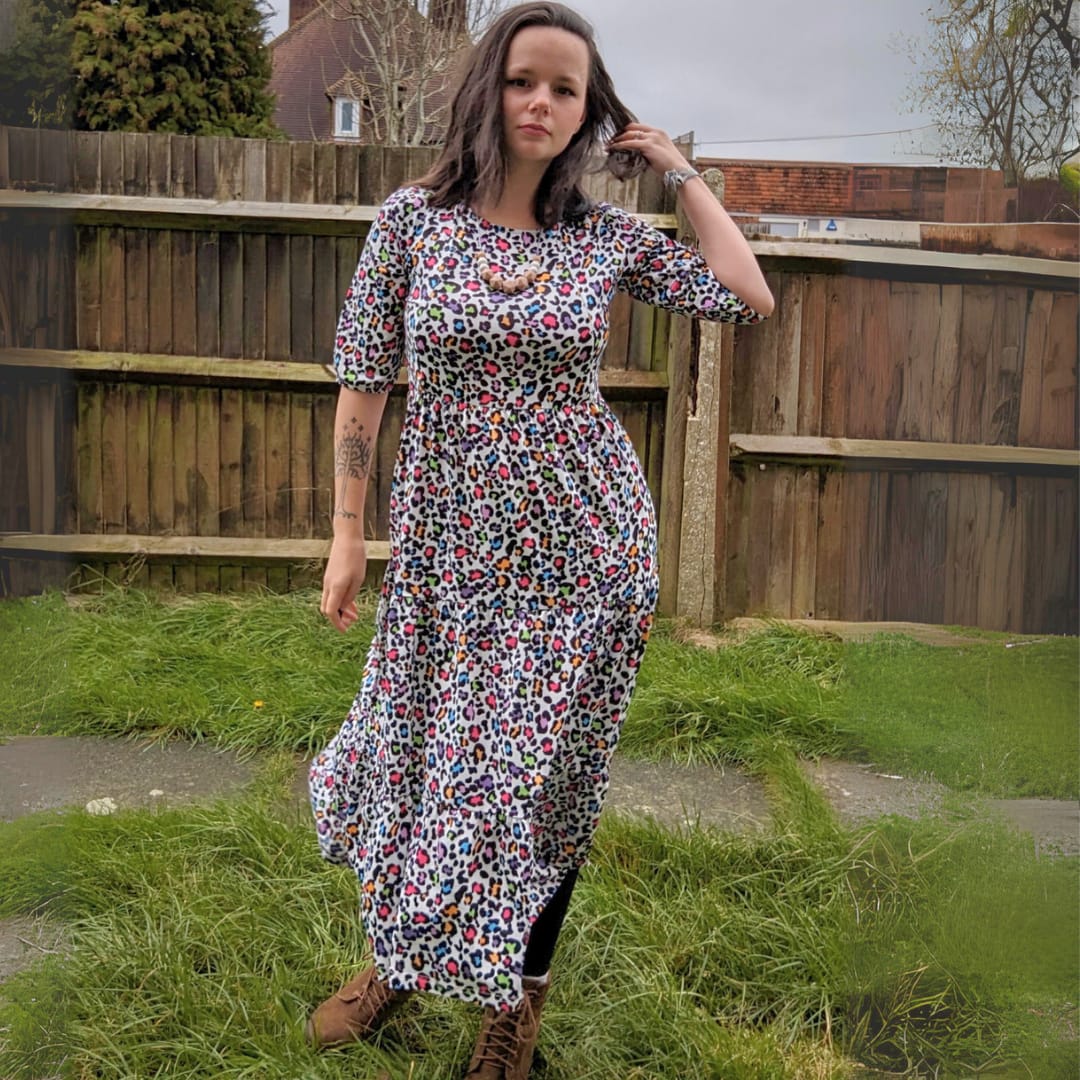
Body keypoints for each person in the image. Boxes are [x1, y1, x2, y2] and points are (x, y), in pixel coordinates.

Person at [307, 3, 774, 1076]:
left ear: (587, 110)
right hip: (445, 556)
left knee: (542, 788)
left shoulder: (604, 237)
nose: (543, 103)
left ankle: (515, 1008)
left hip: (582, 556)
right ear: (490, 87)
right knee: (421, 760)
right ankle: (401, 956)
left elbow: (747, 297)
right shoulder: (411, 225)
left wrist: (677, 171)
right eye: (527, 80)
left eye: (567, 88)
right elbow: (363, 381)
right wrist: (345, 538)